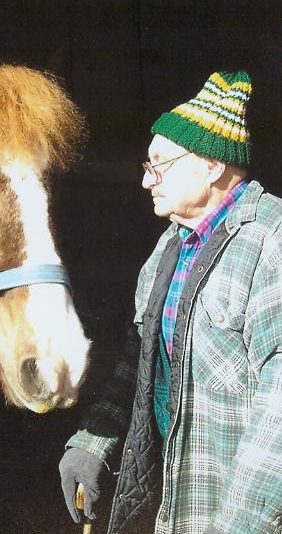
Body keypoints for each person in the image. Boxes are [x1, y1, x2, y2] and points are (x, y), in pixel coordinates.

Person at [59, 71, 282, 534]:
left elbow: (277, 413)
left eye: (158, 164)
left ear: (213, 165)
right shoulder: (170, 247)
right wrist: (92, 441)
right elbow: (139, 358)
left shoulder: (270, 242)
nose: (146, 181)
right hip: (177, 506)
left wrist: (239, 526)